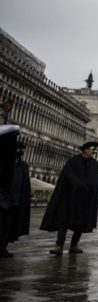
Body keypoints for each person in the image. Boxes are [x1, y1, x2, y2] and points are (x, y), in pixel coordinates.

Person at [40, 141, 98, 256]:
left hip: (85, 200)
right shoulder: (73, 161)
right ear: (85, 149)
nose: (94, 152)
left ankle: (74, 245)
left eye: (95, 150)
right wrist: (80, 184)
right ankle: (59, 246)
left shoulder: (94, 164)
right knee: (64, 221)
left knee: (81, 223)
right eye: (92, 149)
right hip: (70, 198)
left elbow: (97, 179)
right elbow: (68, 176)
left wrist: (91, 187)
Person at [1, 100, 31, 258]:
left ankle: (3, 247)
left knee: (8, 226)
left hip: (14, 201)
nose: (19, 151)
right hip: (3, 199)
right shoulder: (4, 162)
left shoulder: (23, 166)